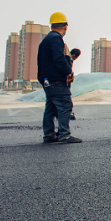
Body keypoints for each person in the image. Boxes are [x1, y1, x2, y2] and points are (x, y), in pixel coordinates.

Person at [38, 12, 81, 143]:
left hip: (46, 80)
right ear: (65, 26)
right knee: (65, 105)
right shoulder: (56, 39)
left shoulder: (46, 39)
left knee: (51, 107)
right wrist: (68, 72)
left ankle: (49, 134)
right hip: (55, 80)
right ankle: (64, 135)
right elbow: (59, 59)